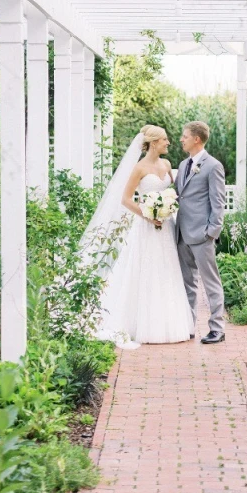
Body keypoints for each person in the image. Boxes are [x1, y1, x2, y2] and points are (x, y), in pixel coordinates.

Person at [86, 125, 194, 347]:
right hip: (146, 227)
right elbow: (126, 199)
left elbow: (172, 194)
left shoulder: (167, 165)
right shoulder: (139, 168)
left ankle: (170, 324)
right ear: (154, 143)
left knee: (168, 270)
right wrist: (148, 214)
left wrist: (167, 208)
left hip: (166, 226)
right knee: (146, 271)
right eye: (164, 140)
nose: (168, 143)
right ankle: (142, 325)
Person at [175, 121, 226, 344]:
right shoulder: (183, 164)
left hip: (202, 235)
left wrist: (212, 232)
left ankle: (217, 328)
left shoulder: (213, 166)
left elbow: (218, 202)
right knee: (188, 284)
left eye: (184, 136)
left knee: (210, 283)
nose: (181, 139)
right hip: (181, 234)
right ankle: (189, 325)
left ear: (196, 139)